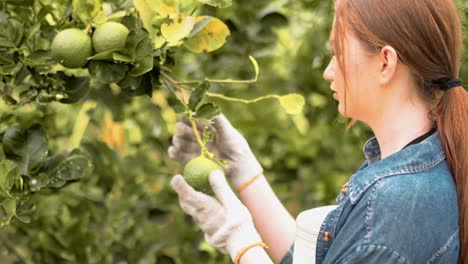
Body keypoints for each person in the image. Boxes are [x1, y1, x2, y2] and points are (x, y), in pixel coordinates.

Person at [169, 0, 468, 263]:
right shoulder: (420, 164)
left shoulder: (394, 205)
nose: (328, 71)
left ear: (385, 62)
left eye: (337, 52)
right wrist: (244, 172)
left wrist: (241, 242)